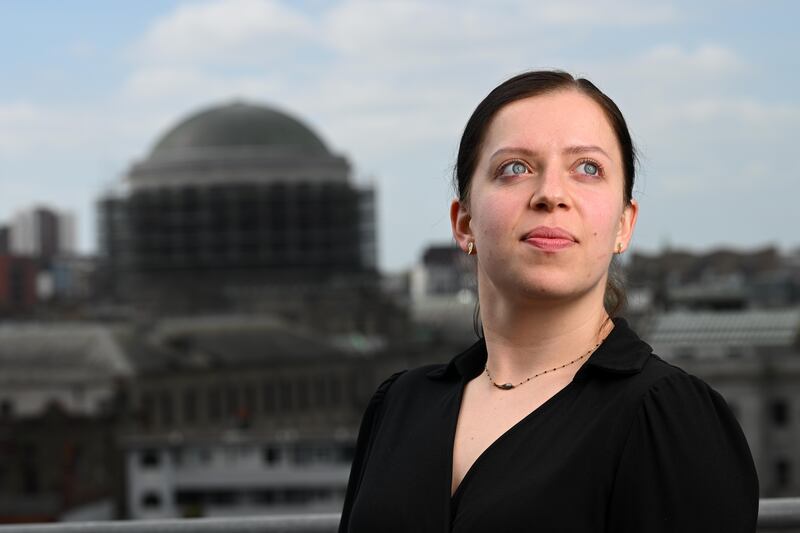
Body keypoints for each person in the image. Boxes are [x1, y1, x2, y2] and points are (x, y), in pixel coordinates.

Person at [338, 70, 759, 532]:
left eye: (588, 168)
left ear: (624, 224)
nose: (551, 195)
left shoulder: (669, 417)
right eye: (515, 168)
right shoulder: (399, 404)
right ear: (464, 222)